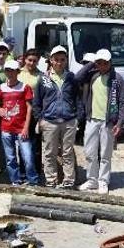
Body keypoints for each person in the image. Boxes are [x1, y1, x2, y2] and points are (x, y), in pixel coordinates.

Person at [76, 49, 124, 194]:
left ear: (110, 62)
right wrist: (92, 63)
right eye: (100, 62)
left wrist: (120, 123)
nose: (103, 65)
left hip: (108, 122)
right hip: (91, 119)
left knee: (105, 154)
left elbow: (123, 102)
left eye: (105, 63)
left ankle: (103, 181)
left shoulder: (117, 79)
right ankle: (92, 180)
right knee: (89, 152)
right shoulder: (92, 75)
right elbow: (78, 77)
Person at [32, 45, 80, 189]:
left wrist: (78, 116)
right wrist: (39, 119)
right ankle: (51, 180)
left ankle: (69, 181)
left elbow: (77, 98)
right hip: (49, 121)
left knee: (68, 152)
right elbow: (37, 101)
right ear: (51, 61)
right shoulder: (43, 79)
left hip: (68, 121)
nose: (59, 62)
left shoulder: (71, 77)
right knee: (49, 153)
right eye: (56, 59)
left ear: (66, 61)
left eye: (62, 59)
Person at [0, 59, 38, 185]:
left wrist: (26, 127)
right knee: (10, 158)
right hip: (6, 128)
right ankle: (15, 180)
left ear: (17, 72)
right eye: (7, 70)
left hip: (21, 128)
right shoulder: (1, 87)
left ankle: (33, 181)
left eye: (12, 70)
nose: (9, 73)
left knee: (28, 157)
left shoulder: (25, 88)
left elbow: (30, 108)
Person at [18, 49, 43, 175]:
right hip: (20, 113)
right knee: (22, 143)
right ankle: (23, 170)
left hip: (35, 113)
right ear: (24, 59)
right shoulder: (18, 74)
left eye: (35, 61)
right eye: (29, 60)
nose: (32, 63)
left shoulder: (41, 76)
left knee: (36, 145)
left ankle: (36, 172)